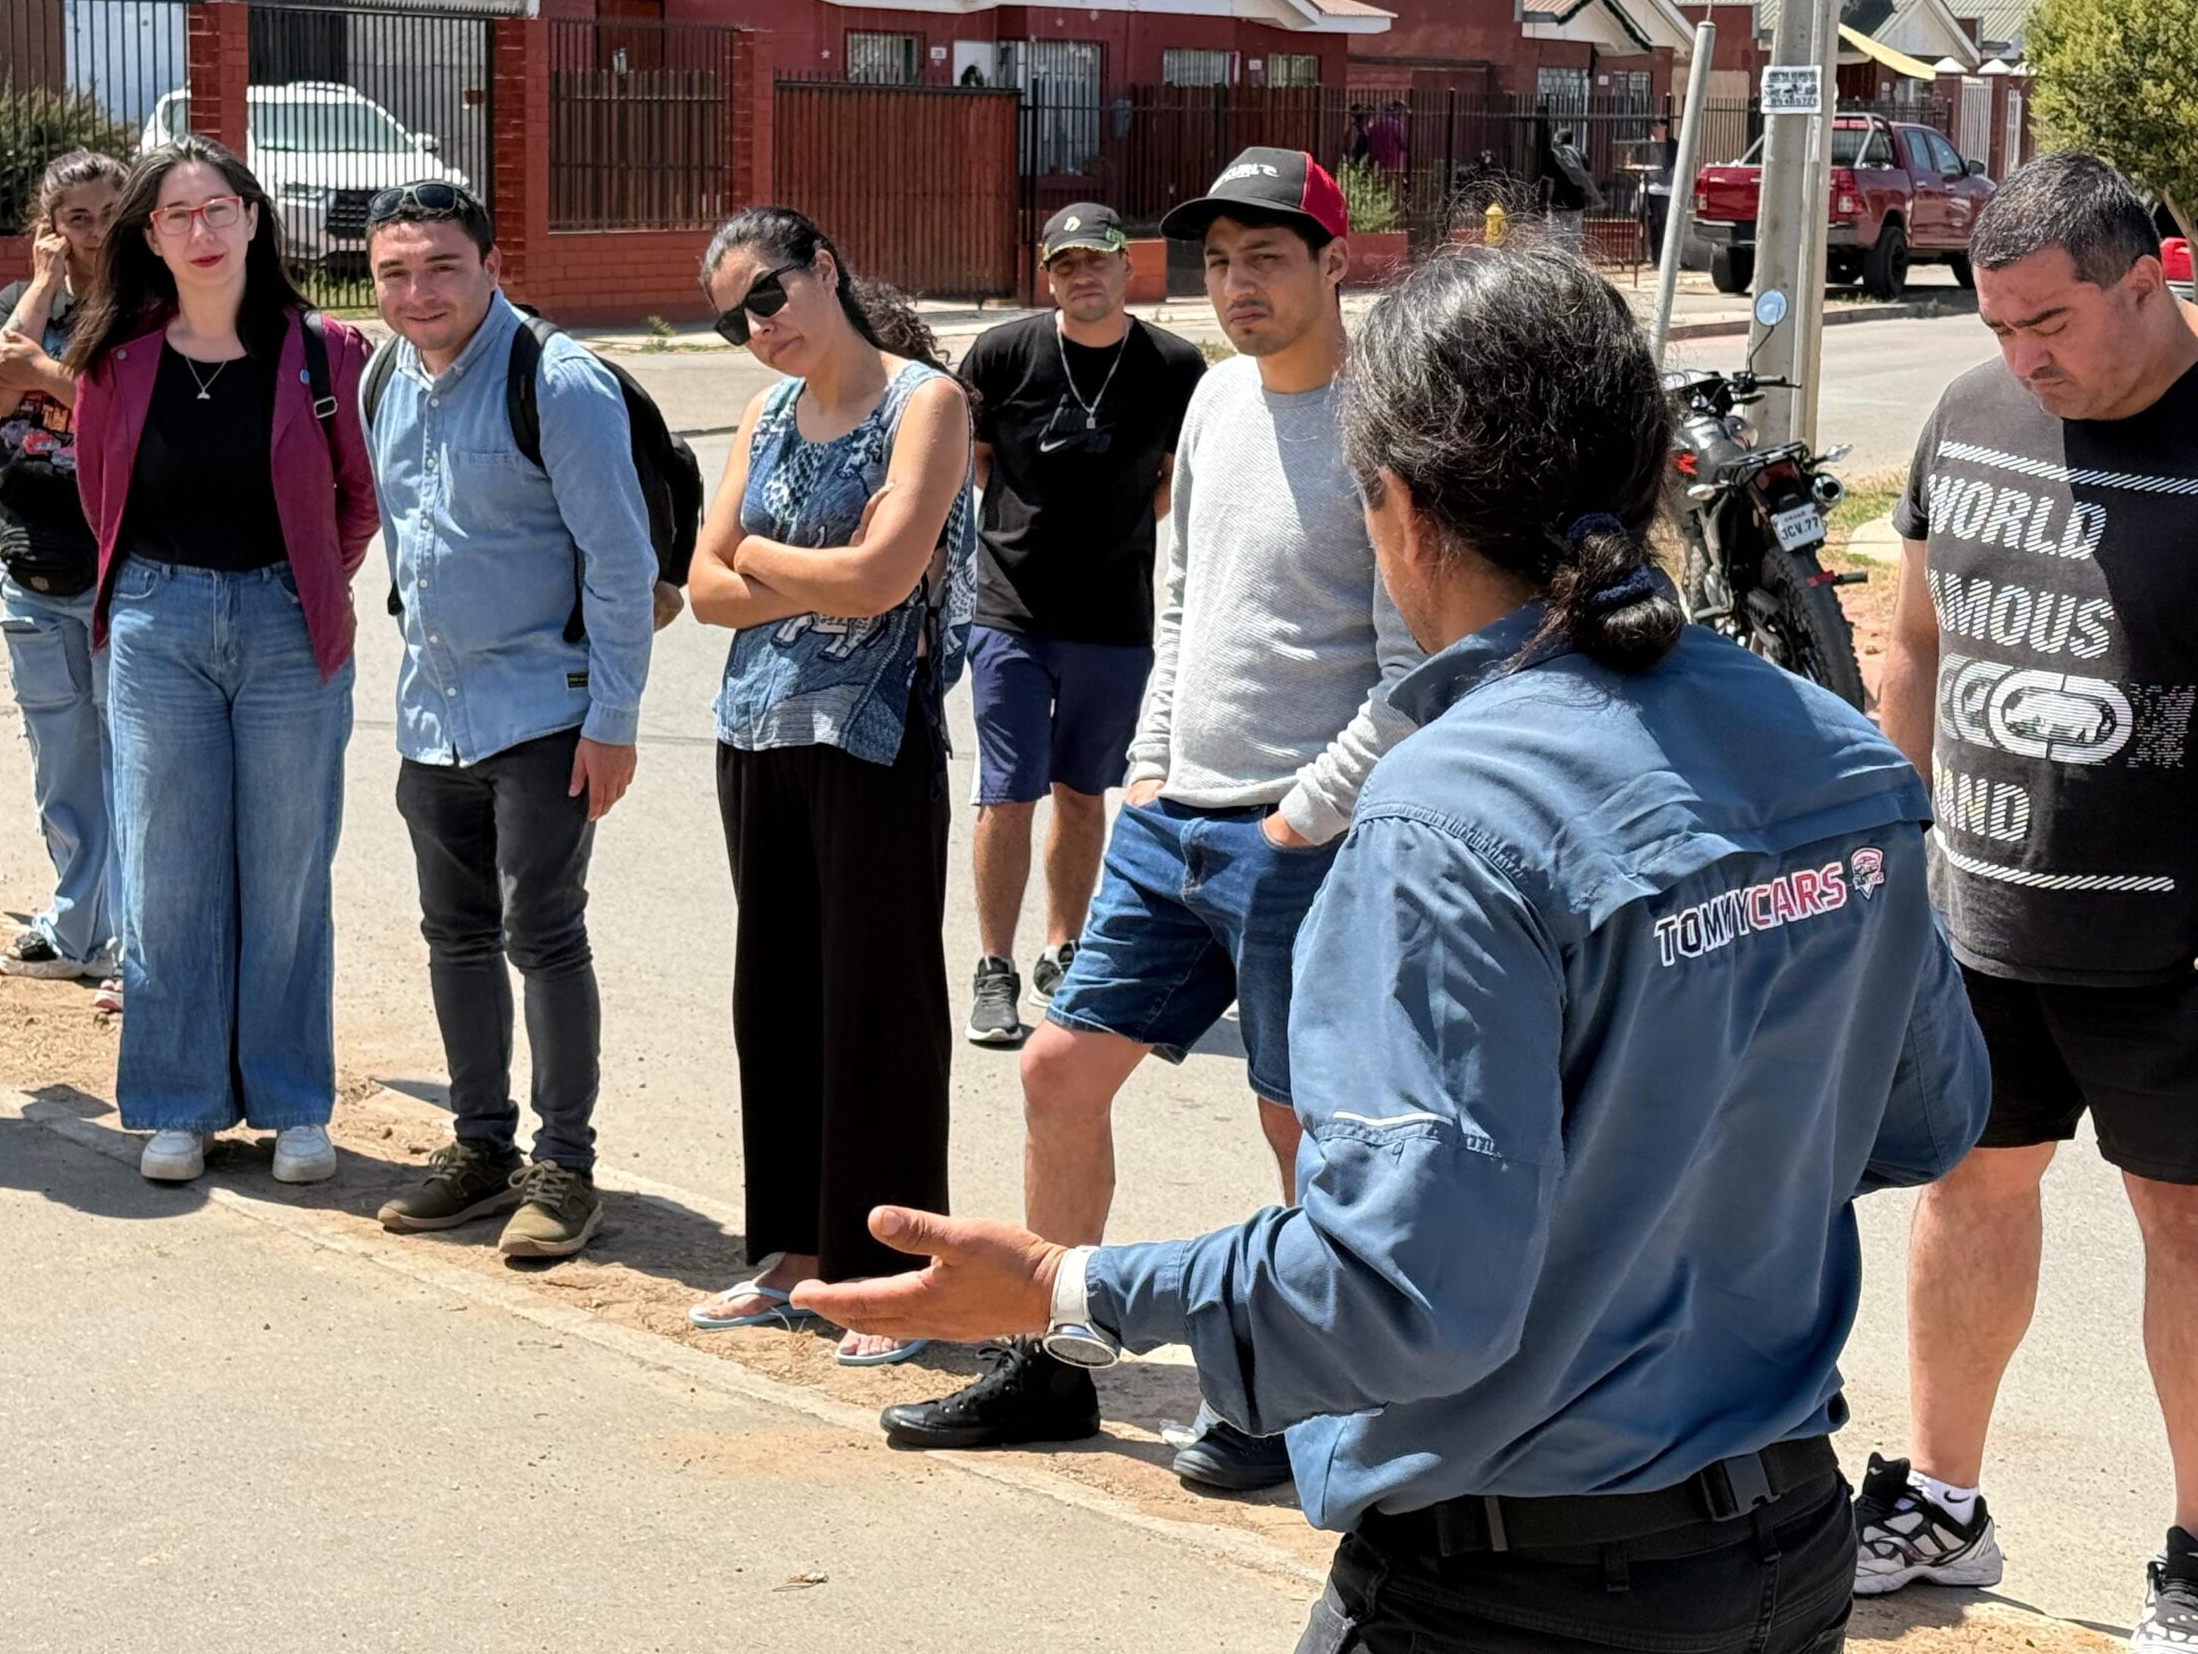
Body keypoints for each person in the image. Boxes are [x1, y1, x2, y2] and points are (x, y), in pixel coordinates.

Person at [800, 241, 1992, 1654]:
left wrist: (1069, 1285)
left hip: (1519, 1588)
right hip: (1783, 1557)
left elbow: (1404, 1299)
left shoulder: (1449, 811)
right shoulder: (1836, 754)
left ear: (1401, 508)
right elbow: (1926, 1118)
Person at [878, 148, 1417, 1492]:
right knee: (1056, 1072)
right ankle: (1055, 1366)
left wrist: (1304, 814)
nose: (1239, 286)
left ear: (1335, 264)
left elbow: (1418, 672)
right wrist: (1155, 769)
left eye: (1269, 259)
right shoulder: (1220, 401)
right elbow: (1181, 601)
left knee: (1306, 1138)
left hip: (1312, 842)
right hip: (1176, 823)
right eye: (1222, 263)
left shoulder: (1388, 428)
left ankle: (1301, 1400)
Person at [1859, 152, 2198, 1651]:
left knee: (2185, 1229)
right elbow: (1918, 643)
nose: (2022, 357)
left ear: (2149, 280)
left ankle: (2195, 1552)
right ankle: (1942, 1502)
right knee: (1969, 1187)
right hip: (1980, 918)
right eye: (1999, 326)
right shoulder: (1974, 415)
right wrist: (1888, 846)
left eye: (2049, 322)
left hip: (2176, 942)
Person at [686, 205, 975, 1366]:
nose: (757, 329)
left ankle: (894, 1272)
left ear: (825, 269)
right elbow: (701, 590)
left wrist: (758, 555)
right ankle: (798, 1255)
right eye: (730, 320)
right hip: (755, 735)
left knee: (881, 1009)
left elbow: (882, 576)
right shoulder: (762, 414)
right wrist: (793, 570)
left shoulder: (926, 404)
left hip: (872, 741)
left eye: (768, 295)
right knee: (779, 1001)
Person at [66, 137, 377, 1188]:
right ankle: (174, 1104)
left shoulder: (323, 349)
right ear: (148, 237)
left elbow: (357, 497)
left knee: (286, 869)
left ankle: (292, 1105)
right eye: (175, 216)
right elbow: (100, 496)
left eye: (217, 209)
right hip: (158, 623)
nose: (199, 232)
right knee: (167, 872)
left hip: (293, 628)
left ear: (252, 218)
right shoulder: (115, 357)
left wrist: (302, 583)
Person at [361, 182, 657, 1261]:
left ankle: (564, 1169)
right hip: (430, 716)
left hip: (546, 713)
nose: (417, 290)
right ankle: (478, 1148)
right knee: (455, 936)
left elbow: (621, 565)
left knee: (543, 933)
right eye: (394, 272)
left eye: (440, 265)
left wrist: (614, 721)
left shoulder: (558, 381)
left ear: (490, 262)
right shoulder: (385, 377)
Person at [957, 203, 1202, 1047]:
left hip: (1113, 619)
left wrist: (1130, 527)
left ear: (1125, 267)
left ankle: (1065, 949)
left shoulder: (1173, 364)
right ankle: (995, 967)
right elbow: (976, 465)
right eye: (1064, 265)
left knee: (1083, 791)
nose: (1080, 276)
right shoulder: (1002, 353)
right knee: (1008, 789)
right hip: (1011, 613)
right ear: (1048, 275)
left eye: (1095, 261)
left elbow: (1176, 476)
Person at [0, 149, 127, 1003]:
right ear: (50, 228)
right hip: (32, 561)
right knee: (61, 760)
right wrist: (39, 288)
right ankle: (76, 928)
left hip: (118, 567)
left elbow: (134, 415)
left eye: (108, 213)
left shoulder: (149, 306)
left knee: (131, 759)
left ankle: (134, 940)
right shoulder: (22, 306)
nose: (95, 233)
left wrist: (42, 378)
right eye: (78, 218)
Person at [1546, 121, 1597, 254]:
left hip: (1558, 202)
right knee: (1574, 238)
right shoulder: (1582, 156)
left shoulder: (1554, 156)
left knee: (1555, 238)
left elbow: (1550, 181)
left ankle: (1557, 266)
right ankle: (1572, 268)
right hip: (1576, 203)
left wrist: (1547, 200)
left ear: (1559, 139)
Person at [1641, 116, 1680, 270]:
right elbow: (1632, 158)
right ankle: (1652, 257)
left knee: (1663, 225)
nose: (1654, 127)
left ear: (1665, 127)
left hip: (1665, 190)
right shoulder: (1645, 144)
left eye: (1657, 125)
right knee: (1649, 224)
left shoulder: (1671, 144)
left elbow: (1668, 164)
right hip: (1647, 189)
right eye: (1652, 124)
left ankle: (1663, 258)